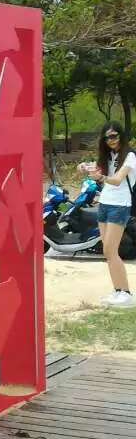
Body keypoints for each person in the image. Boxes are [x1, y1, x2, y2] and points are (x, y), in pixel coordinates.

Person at [83, 121, 136, 308]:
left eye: (113, 136)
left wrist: (101, 177)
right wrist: (85, 168)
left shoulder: (130, 156)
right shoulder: (109, 156)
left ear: (121, 135)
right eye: (107, 138)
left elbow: (118, 180)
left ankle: (126, 294)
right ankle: (117, 290)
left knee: (111, 250)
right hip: (104, 203)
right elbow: (96, 171)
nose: (110, 140)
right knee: (107, 251)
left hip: (119, 205)